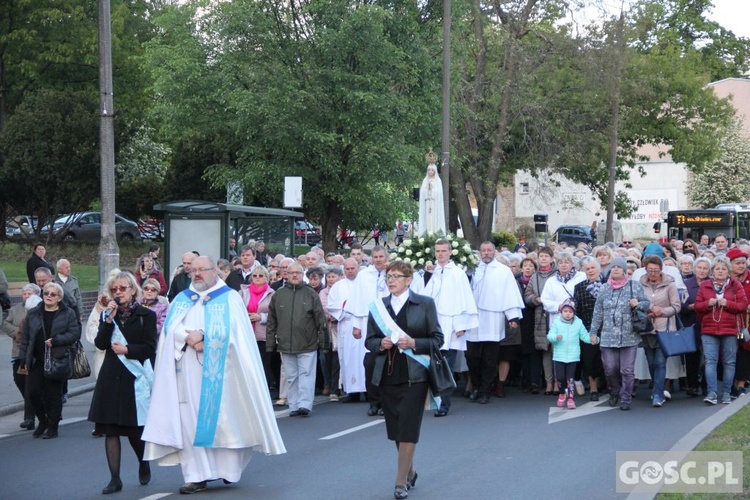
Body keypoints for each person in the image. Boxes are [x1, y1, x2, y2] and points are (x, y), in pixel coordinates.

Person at [143, 256, 285, 494]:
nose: (197, 274)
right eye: (193, 270)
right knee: (190, 423)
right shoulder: (181, 299)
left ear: (214, 272)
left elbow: (237, 335)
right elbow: (170, 328)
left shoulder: (229, 298)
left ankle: (228, 470)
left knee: (226, 421)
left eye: (202, 270)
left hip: (223, 377)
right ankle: (196, 476)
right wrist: (186, 337)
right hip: (187, 374)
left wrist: (205, 335)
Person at [364, 261, 443, 500]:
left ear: (409, 280)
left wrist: (414, 343)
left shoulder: (425, 304)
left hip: (415, 373)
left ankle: (400, 482)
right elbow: (369, 341)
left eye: (397, 276)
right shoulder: (378, 307)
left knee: (408, 426)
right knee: (396, 428)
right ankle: (410, 470)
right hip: (387, 373)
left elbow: (437, 339)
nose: (391, 280)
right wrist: (381, 343)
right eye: (389, 276)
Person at [88, 272, 157, 494]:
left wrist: (128, 350)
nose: (118, 292)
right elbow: (100, 343)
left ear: (133, 290)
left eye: (122, 288)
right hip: (110, 376)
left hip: (133, 378)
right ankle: (115, 479)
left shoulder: (146, 315)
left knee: (134, 430)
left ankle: (143, 461)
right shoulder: (109, 315)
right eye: (114, 289)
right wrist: (108, 320)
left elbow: (149, 347)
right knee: (110, 430)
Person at [418, 239, 479, 417]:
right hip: (433, 324)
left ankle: (444, 404)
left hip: (451, 324)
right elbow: (424, 295)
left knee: (446, 366)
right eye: (437, 251)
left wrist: (461, 325)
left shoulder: (458, 273)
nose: (440, 254)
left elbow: (464, 299)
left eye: (444, 251)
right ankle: (431, 399)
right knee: (430, 364)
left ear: (450, 252)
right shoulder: (432, 272)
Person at [18, 282, 80, 438]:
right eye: (46, 293)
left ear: (59, 297)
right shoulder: (34, 313)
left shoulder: (68, 313)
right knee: (32, 393)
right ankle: (43, 421)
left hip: (57, 358)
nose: (49, 297)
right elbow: (26, 337)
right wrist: (23, 358)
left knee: (53, 395)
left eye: (53, 294)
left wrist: (57, 341)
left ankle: (53, 426)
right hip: (37, 359)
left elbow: (74, 334)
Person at [266, 263, 328, 417]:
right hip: (285, 343)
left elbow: (320, 320)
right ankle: (294, 405)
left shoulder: (310, 294)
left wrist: (323, 342)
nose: (294, 275)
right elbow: (271, 321)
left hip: (307, 342)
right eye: (291, 272)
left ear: (302, 274)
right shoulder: (279, 295)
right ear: (286, 274)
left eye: (298, 273)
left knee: (306, 374)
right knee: (291, 376)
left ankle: (305, 404)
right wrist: (270, 344)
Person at [466, 242, 523, 403]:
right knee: (472, 356)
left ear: (494, 252)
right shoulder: (471, 268)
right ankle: (476, 385)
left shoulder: (503, 271)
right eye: (483, 250)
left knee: (490, 358)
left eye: (489, 250)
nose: (486, 253)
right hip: (474, 317)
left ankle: (485, 391)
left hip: (493, 317)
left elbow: (510, 293)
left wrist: (512, 316)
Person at [590, 257, 649, 411]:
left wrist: (638, 304)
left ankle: (626, 397)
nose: (615, 269)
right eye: (613, 267)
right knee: (610, 369)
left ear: (624, 270)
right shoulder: (604, 288)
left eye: (619, 267)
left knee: (627, 370)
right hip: (608, 337)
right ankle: (614, 391)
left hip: (629, 336)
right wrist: (593, 332)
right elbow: (598, 312)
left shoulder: (634, 286)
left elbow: (646, 303)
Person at [694, 256, 748, 405]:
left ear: (728, 271)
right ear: (712, 271)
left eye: (724, 268)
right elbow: (697, 306)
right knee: (710, 361)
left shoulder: (735, 285)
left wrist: (728, 303)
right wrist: (707, 304)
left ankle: (726, 393)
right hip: (709, 329)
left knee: (729, 362)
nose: (720, 271)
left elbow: (743, 305)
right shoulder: (705, 285)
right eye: (717, 268)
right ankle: (712, 393)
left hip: (730, 330)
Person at [639, 255, 681, 407]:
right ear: (646, 269)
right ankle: (657, 389)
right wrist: (647, 310)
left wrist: (661, 311)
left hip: (665, 328)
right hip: (647, 329)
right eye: (650, 270)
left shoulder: (669, 284)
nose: (653, 273)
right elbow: (637, 303)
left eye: (656, 270)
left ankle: (658, 394)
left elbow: (676, 306)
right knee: (651, 362)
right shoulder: (640, 284)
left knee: (660, 362)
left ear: (661, 270)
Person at [2, 284, 41, 430]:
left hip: (35, 355)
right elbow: (5, 324)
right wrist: (18, 332)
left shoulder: (39, 309)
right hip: (18, 352)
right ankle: (36, 405)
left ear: (37, 294)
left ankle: (29, 418)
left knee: (29, 386)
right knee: (19, 381)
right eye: (24, 293)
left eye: (29, 293)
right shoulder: (15, 310)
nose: (26, 296)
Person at [547, 299, 598, 410]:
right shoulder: (557, 322)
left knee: (570, 379)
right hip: (559, 356)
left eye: (570, 311)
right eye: (565, 311)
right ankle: (562, 393)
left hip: (573, 356)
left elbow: (584, 336)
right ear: (561, 312)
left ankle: (570, 399)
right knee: (560, 378)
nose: (567, 313)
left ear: (574, 313)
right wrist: (555, 338)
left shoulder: (578, 322)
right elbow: (550, 335)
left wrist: (595, 339)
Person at [326, 258, 364, 402]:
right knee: (347, 358)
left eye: (352, 268)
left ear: (357, 268)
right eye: (347, 269)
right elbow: (332, 305)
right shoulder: (338, 286)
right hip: (346, 325)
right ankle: (352, 391)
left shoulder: (364, 284)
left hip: (362, 324)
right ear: (344, 270)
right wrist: (348, 309)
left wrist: (355, 309)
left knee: (362, 358)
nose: (350, 271)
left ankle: (367, 391)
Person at [524, 247, 558, 395]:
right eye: (541, 256)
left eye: (546, 256)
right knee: (545, 351)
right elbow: (527, 295)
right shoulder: (535, 277)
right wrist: (535, 299)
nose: (543, 259)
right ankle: (548, 382)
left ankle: (558, 382)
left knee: (557, 350)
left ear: (551, 258)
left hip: (557, 315)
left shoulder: (558, 275)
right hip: (540, 315)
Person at [572, 256, 606, 401]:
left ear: (599, 269)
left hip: (607, 328)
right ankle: (593, 388)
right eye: (587, 268)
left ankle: (607, 385)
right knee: (589, 359)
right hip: (587, 328)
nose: (591, 271)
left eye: (593, 268)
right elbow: (577, 311)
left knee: (606, 360)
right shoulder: (579, 287)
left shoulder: (609, 284)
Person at [240, 266, 276, 393]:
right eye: (255, 276)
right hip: (247, 333)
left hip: (263, 334)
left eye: (261, 276)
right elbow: (237, 310)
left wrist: (261, 316)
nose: (257, 278)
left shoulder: (272, 294)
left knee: (263, 363)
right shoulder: (243, 292)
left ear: (266, 278)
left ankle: (265, 389)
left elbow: (275, 314)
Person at [681, 257, 711, 397]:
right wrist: (691, 307)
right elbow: (680, 305)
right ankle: (692, 384)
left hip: (708, 323)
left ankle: (706, 385)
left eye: (705, 268)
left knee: (708, 357)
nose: (702, 271)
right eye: (699, 268)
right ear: (694, 269)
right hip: (690, 323)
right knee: (691, 356)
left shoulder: (712, 283)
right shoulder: (686, 284)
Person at [319, 266, 343, 401]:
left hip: (339, 328)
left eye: (333, 276)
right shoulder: (323, 292)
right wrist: (331, 315)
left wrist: (338, 315)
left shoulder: (344, 289)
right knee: (325, 359)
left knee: (337, 360)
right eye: (329, 277)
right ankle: (328, 383)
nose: (331, 279)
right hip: (327, 330)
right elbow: (323, 306)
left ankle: (335, 388)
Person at [418, 163, 446, 235]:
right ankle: (426, 234)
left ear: (435, 171)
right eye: (429, 170)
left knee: (434, 220)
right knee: (427, 220)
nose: (430, 172)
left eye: (432, 170)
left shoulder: (438, 181)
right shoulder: (425, 180)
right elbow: (422, 193)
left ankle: (435, 233)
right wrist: (427, 189)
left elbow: (439, 193)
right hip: (427, 203)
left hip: (435, 204)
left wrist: (432, 189)